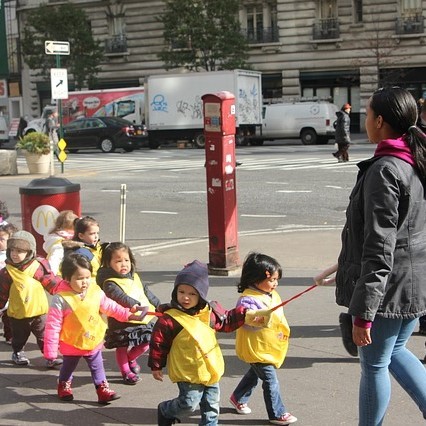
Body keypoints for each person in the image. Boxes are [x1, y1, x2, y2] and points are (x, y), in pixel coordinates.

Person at [335, 86, 426, 425]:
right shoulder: (413, 159)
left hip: (387, 289)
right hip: (413, 283)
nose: (366, 119)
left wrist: (363, 314)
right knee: (397, 351)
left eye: (369, 113)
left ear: (381, 120)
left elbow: (379, 245)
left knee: (374, 364)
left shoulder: (385, 169)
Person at [148, 260, 262, 426]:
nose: (186, 297)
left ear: (201, 295)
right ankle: (166, 410)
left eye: (192, 294)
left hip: (210, 368)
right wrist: (156, 366)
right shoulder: (169, 320)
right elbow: (158, 343)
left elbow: (227, 320)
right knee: (188, 403)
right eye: (181, 291)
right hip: (187, 371)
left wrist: (246, 314)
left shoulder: (209, 313)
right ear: (175, 292)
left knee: (211, 406)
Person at [43, 252, 149, 404]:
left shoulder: (95, 292)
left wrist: (129, 315)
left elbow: (112, 308)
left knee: (97, 366)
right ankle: (64, 384)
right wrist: (51, 351)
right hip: (72, 341)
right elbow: (53, 325)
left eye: (87, 277)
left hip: (93, 338)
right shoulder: (61, 299)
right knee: (68, 366)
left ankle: (103, 390)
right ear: (67, 278)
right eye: (79, 278)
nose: (85, 282)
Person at [230, 252, 297, 426]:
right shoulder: (248, 300)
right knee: (270, 380)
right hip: (256, 348)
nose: (275, 283)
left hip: (268, 345)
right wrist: (260, 318)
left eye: (276, 279)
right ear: (255, 278)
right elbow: (247, 323)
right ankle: (277, 413)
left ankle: (238, 397)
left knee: (254, 374)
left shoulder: (269, 294)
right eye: (271, 279)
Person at [96, 242, 160, 385]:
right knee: (122, 346)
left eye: (126, 260)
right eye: (118, 261)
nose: (123, 264)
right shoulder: (110, 282)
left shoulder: (135, 277)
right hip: (122, 319)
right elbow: (119, 296)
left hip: (144, 317)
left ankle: (131, 358)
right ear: (108, 263)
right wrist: (133, 304)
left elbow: (147, 293)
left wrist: (159, 305)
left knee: (146, 343)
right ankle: (126, 371)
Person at [0, 230, 64, 367]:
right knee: (19, 337)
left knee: (45, 336)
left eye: (20, 251)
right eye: (12, 250)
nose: (15, 254)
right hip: (18, 313)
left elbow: (51, 283)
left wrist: (66, 291)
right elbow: (2, 293)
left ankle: (50, 357)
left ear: (30, 252)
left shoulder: (38, 267)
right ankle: (17, 352)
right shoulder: (6, 272)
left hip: (39, 311)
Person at [42, 210, 79, 275]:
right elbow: (53, 262)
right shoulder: (59, 245)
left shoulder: (54, 239)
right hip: (61, 277)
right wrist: (52, 277)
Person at [0, 223, 18, 345]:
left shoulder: (13, 255)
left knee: (8, 316)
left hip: (8, 289)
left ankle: (10, 335)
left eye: (2, 239)